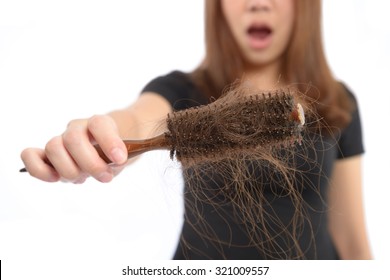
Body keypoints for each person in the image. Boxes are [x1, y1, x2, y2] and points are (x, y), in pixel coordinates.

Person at [21, 0, 371, 259]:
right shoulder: (181, 91)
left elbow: (352, 237)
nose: (258, 4)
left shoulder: (337, 103)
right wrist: (102, 135)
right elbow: (138, 118)